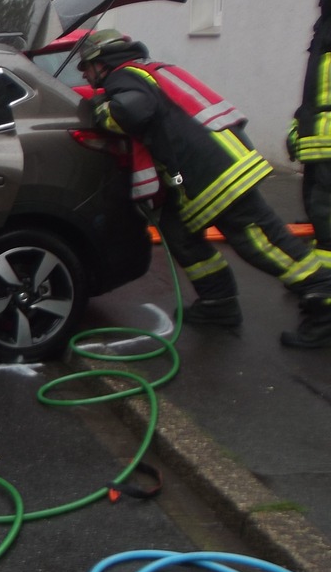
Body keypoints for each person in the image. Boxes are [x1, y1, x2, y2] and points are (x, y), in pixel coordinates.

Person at [79, 29, 331, 349]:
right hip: (199, 170)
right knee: (179, 232)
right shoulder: (147, 70)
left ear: (102, 62)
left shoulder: (122, 78)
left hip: (213, 171)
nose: (85, 74)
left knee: (257, 239)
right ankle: (218, 303)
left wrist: (101, 107)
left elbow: (134, 112)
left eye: (85, 66)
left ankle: (323, 297)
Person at [288, 0, 331, 261]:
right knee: (320, 209)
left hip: (326, 139)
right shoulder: (325, 20)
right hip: (318, 138)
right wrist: (301, 123)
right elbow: (318, 84)